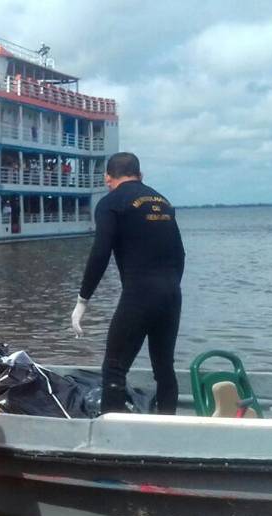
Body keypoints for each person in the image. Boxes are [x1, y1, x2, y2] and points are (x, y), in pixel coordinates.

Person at [71, 152, 185, 415]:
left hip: (139, 294)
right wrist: (168, 286)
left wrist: (82, 301)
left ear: (108, 179)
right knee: (164, 367)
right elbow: (180, 254)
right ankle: (168, 425)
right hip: (171, 294)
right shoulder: (164, 202)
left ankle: (114, 434)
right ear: (140, 175)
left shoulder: (111, 203)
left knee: (114, 368)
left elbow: (100, 253)